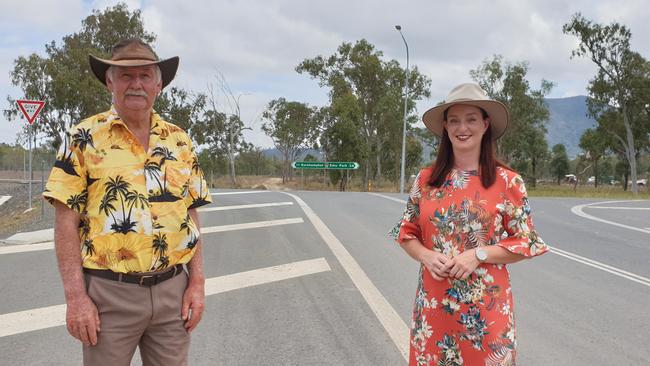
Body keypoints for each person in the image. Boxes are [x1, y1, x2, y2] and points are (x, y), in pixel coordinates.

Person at [43, 39, 212, 365]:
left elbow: (189, 213)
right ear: (110, 81)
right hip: (109, 295)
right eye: (125, 75)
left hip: (173, 291)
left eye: (145, 75)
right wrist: (76, 298)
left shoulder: (179, 140)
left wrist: (198, 285)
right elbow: (66, 221)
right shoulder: (83, 138)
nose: (136, 84)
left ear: (159, 84)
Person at [390, 83, 549, 365]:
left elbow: (526, 242)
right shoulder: (425, 181)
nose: (462, 127)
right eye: (454, 120)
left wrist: (478, 254)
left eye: (471, 119)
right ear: (445, 128)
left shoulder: (507, 181)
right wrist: (426, 256)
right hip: (433, 310)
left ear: (485, 125)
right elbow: (406, 232)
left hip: (486, 317)